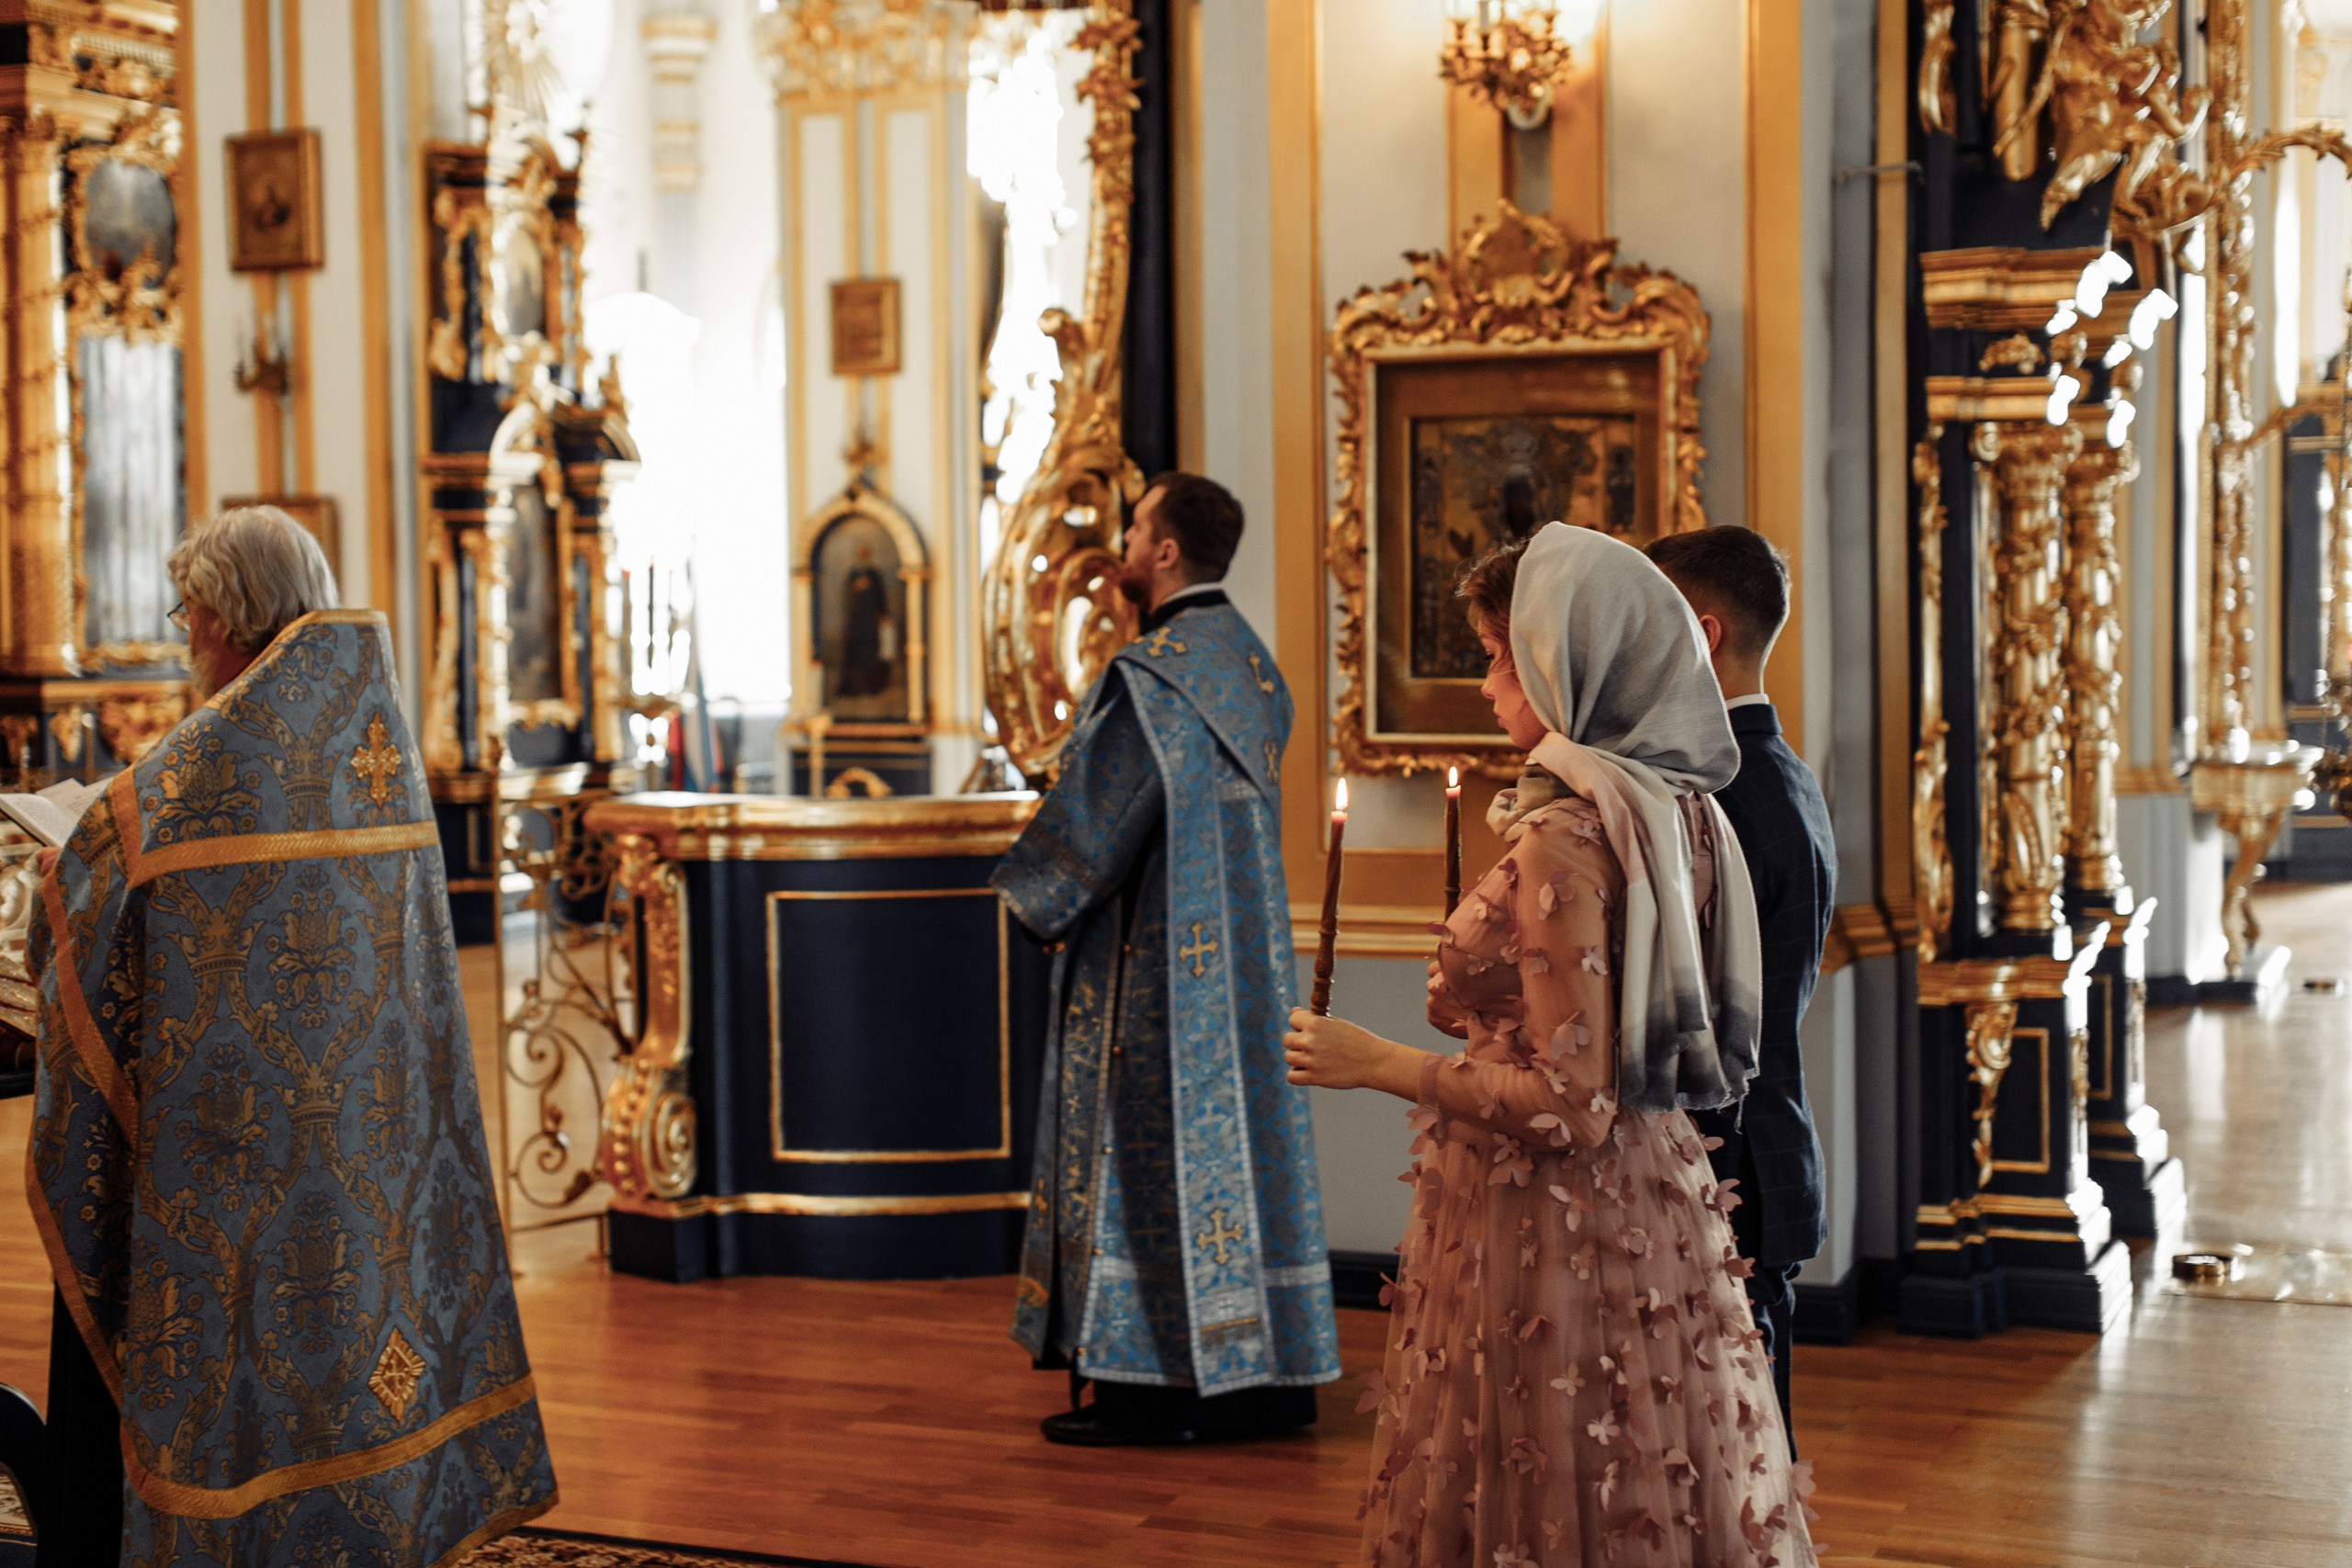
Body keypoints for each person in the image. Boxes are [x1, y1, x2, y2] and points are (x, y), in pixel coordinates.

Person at [28, 507, 557, 1563]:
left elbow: (100, 865)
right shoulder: (374, 734)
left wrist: (60, 855)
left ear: (226, 614)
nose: (185, 638)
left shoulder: (218, 757)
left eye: (188, 612)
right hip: (370, 1139)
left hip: (237, 1152)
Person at [1284, 523, 1815, 1566]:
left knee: (1556, 1477)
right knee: (1638, 1469)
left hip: (1553, 1218)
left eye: (1495, 655)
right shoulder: (1669, 807)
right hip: (1651, 1197)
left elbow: (1571, 1107)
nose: (1484, 685)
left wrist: (1371, 1063)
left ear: (1562, 662)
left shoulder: (1570, 831)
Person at [993, 472, 1341, 1446]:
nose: (1124, 542)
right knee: (1243, 1162)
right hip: (1244, 966)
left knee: (1147, 1166)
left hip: (1154, 976)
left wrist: (1030, 896)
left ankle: (1156, 1393)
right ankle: (1269, 1379)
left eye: (1137, 527)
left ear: (1165, 553)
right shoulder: (1251, 666)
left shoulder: (1158, 674)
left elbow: (1096, 822)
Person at [1645, 525, 1833, 1454]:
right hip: (1756, 1150)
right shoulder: (1770, 775)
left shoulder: (1730, 795)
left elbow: (1711, 1018)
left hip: (1734, 1163)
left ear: (1701, 632)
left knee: (1740, 1457)